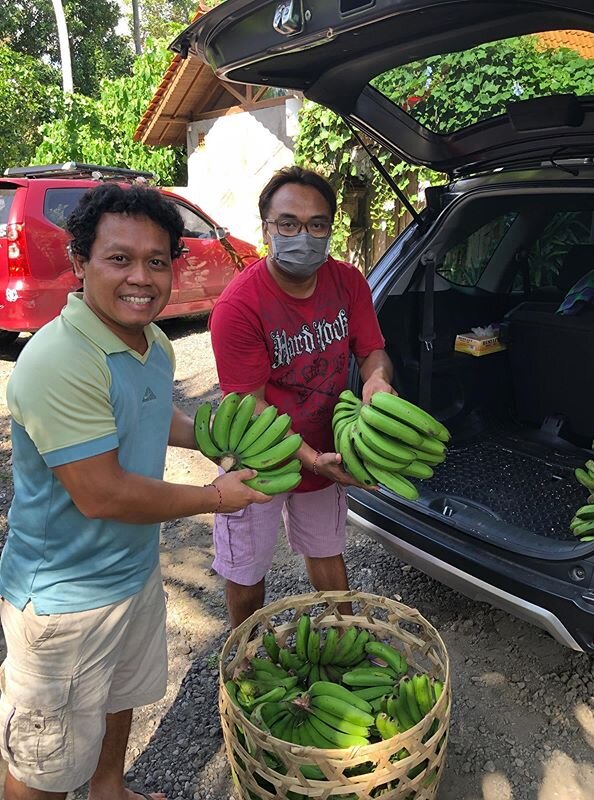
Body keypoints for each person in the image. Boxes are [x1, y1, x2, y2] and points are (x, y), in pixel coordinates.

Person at [0, 183, 270, 800]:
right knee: (43, 762)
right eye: (119, 259)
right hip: (65, 603)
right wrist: (217, 498)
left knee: (120, 699)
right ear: (79, 263)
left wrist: (212, 433)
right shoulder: (59, 360)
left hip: (131, 574)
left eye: (156, 261)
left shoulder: (151, 343)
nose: (140, 278)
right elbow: (104, 494)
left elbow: (155, 417)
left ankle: (110, 792)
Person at [210, 166, 395, 628]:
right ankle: (246, 656)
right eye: (288, 224)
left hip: (324, 441)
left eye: (317, 225)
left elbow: (373, 350)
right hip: (258, 455)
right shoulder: (238, 307)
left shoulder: (348, 282)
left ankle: (348, 639)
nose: (303, 236)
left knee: (327, 553)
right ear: (266, 229)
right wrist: (310, 459)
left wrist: (375, 380)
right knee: (247, 573)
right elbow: (250, 406)